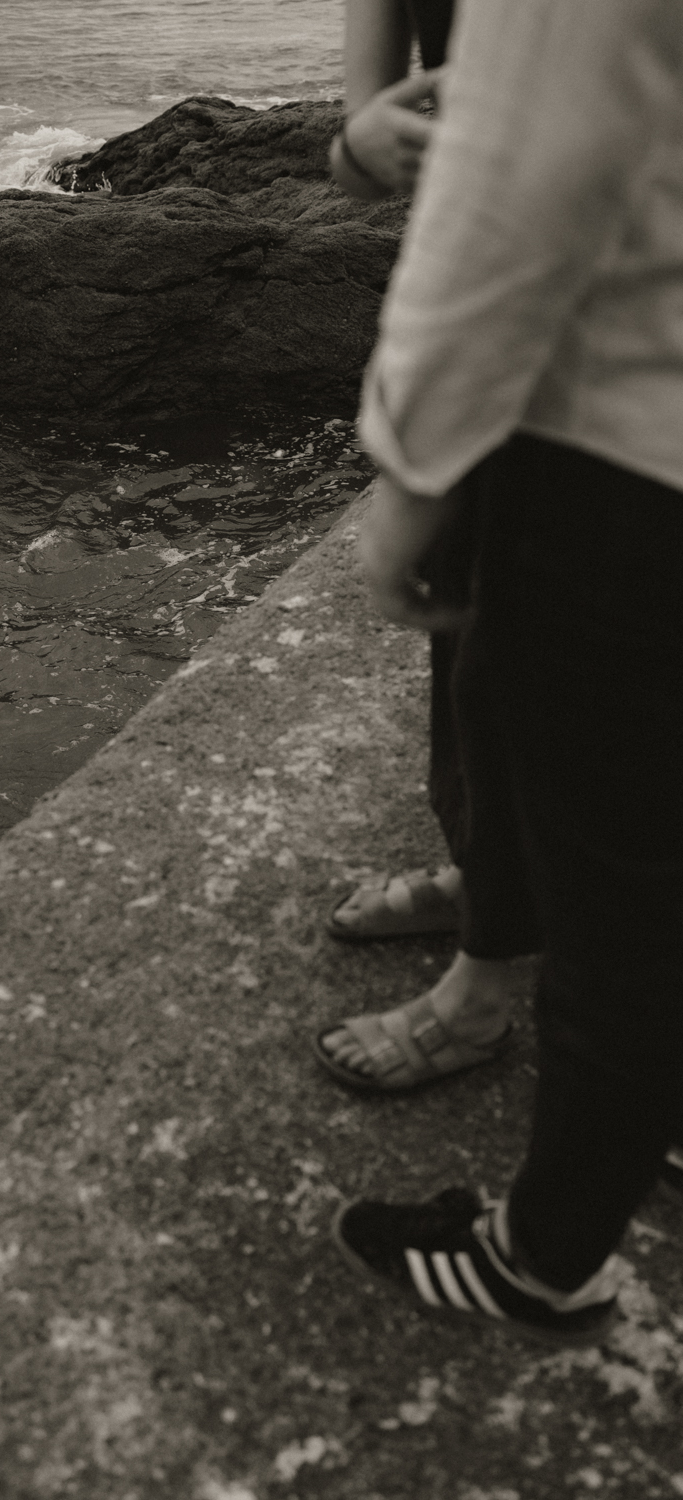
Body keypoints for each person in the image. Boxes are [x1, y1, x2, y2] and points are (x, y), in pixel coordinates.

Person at [325, 0, 683, 1343]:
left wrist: (412, 468)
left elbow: (531, 151)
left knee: (621, 870)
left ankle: (542, 1258)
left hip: (627, 440)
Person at [319, 0, 531, 1097]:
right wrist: (360, 124)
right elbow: (376, 145)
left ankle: (486, 991)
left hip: (595, 322)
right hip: (497, 289)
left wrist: (416, 464)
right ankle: (491, 880)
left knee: (564, 654)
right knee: (473, 644)